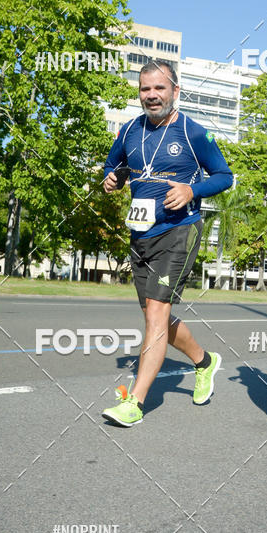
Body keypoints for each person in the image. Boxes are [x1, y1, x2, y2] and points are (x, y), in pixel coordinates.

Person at [101, 59, 233, 426]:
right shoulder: (128, 130)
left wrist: (192, 188)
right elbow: (114, 169)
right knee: (154, 315)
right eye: (145, 89)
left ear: (175, 90)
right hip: (141, 234)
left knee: (157, 314)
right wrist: (112, 179)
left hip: (180, 230)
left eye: (160, 88)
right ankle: (205, 362)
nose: (152, 95)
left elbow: (224, 176)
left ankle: (136, 402)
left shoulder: (193, 133)